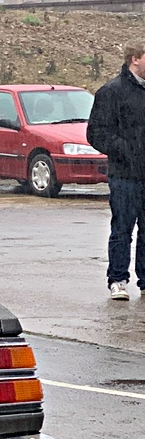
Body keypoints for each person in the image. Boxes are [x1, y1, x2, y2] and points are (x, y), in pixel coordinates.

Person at [87, 44, 145, 300]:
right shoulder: (112, 92)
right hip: (125, 175)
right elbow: (96, 133)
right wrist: (126, 150)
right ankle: (118, 280)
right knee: (122, 229)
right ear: (135, 59)